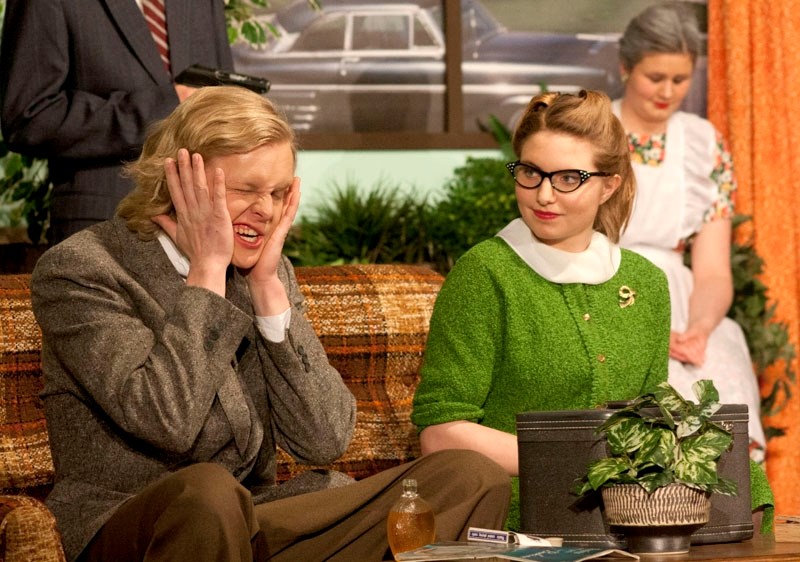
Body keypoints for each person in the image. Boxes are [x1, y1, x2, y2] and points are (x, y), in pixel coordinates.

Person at [30, 86, 510, 562]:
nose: (266, 210)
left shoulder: (264, 268)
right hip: (134, 523)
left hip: (258, 521)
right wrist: (206, 275)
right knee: (208, 493)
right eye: (245, 190)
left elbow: (323, 440)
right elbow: (166, 422)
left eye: (279, 192)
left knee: (469, 476)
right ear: (179, 179)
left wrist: (268, 291)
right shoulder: (84, 269)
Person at [411, 89, 672, 530]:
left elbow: (652, 418)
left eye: (569, 178)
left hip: (632, 513)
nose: (544, 195)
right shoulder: (486, 273)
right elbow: (440, 433)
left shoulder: (646, 283)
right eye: (530, 173)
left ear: (610, 185)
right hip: (513, 513)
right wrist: (580, 462)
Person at [612, 2, 767, 458]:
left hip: (682, 301)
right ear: (625, 67)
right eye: (654, 77)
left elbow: (714, 270)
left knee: (716, 375)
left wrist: (698, 328)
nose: (667, 91)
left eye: (680, 80)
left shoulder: (703, 143)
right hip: (603, 289)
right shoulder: (595, 131)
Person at [0, 0, 233, 244]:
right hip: (103, 229)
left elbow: (227, 102)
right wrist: (161, 108)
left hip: (207, 229)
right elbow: (30, 117)